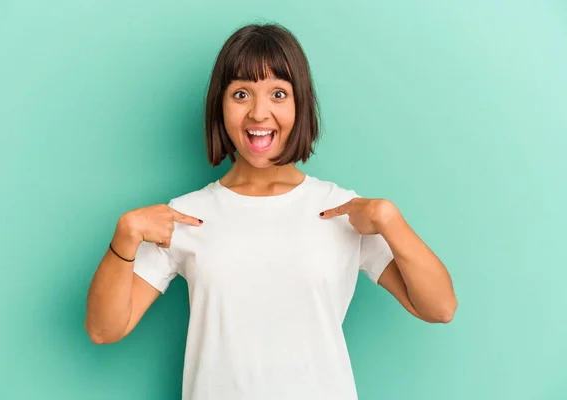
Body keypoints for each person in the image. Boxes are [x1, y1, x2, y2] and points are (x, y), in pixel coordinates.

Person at [85, 23, 457, 400]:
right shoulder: (185, 216)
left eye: (278, 93)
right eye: (241, 94)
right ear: (221, 105)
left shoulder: (341, 210)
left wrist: (389, 220)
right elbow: (104, 329)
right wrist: (125, 236)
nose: (258, 113)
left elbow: (440, 307)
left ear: (300, 104)